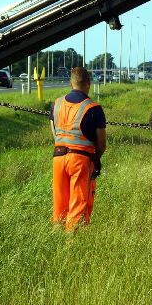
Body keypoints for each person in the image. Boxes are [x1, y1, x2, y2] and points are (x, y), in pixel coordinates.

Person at [49, 67, 107, 230]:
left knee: (60, 203)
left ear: (70, 83)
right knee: (78, 204)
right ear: (88, 83)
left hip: (58, 158)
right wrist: (95, 158)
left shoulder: (56, 104)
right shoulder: (94, 108)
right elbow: (101, 143)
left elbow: (55, 132)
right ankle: (72, 243)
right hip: (80, 161)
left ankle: (57, 234)